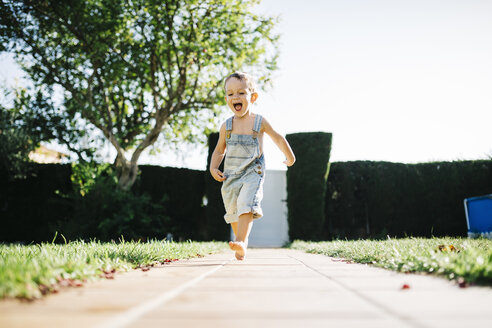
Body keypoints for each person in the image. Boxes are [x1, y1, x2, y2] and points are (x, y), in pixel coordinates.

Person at [209, 72, 296, 260]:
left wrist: (289, 156)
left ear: (253, 97)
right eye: (230, 94)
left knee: (246, 203)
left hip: (252, 171)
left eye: (241, 93)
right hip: (231, 174)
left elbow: (278, 138)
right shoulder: (227, 126)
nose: (236, 97)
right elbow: (219, 150)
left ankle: (240, 240)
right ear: (226, 99)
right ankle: (242, 245)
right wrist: (213, 167)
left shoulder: (259, 121)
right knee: (233, 209)